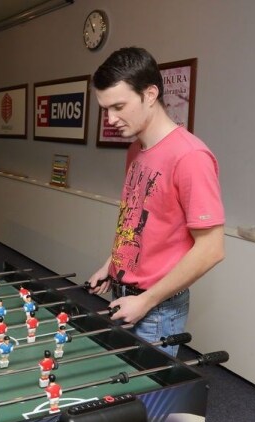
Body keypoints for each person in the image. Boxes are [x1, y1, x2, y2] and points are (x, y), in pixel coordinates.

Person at [87, 47, 225, 357]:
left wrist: (146, 301)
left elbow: (212, 249)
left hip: (157, 309)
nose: (111, 119)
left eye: (119, 106)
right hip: (125, 295)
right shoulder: (135, 150)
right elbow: (136, 222)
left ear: (150, 94)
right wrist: (111, 266)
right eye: (105, 109)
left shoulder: (191, 157)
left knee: (148, 387)